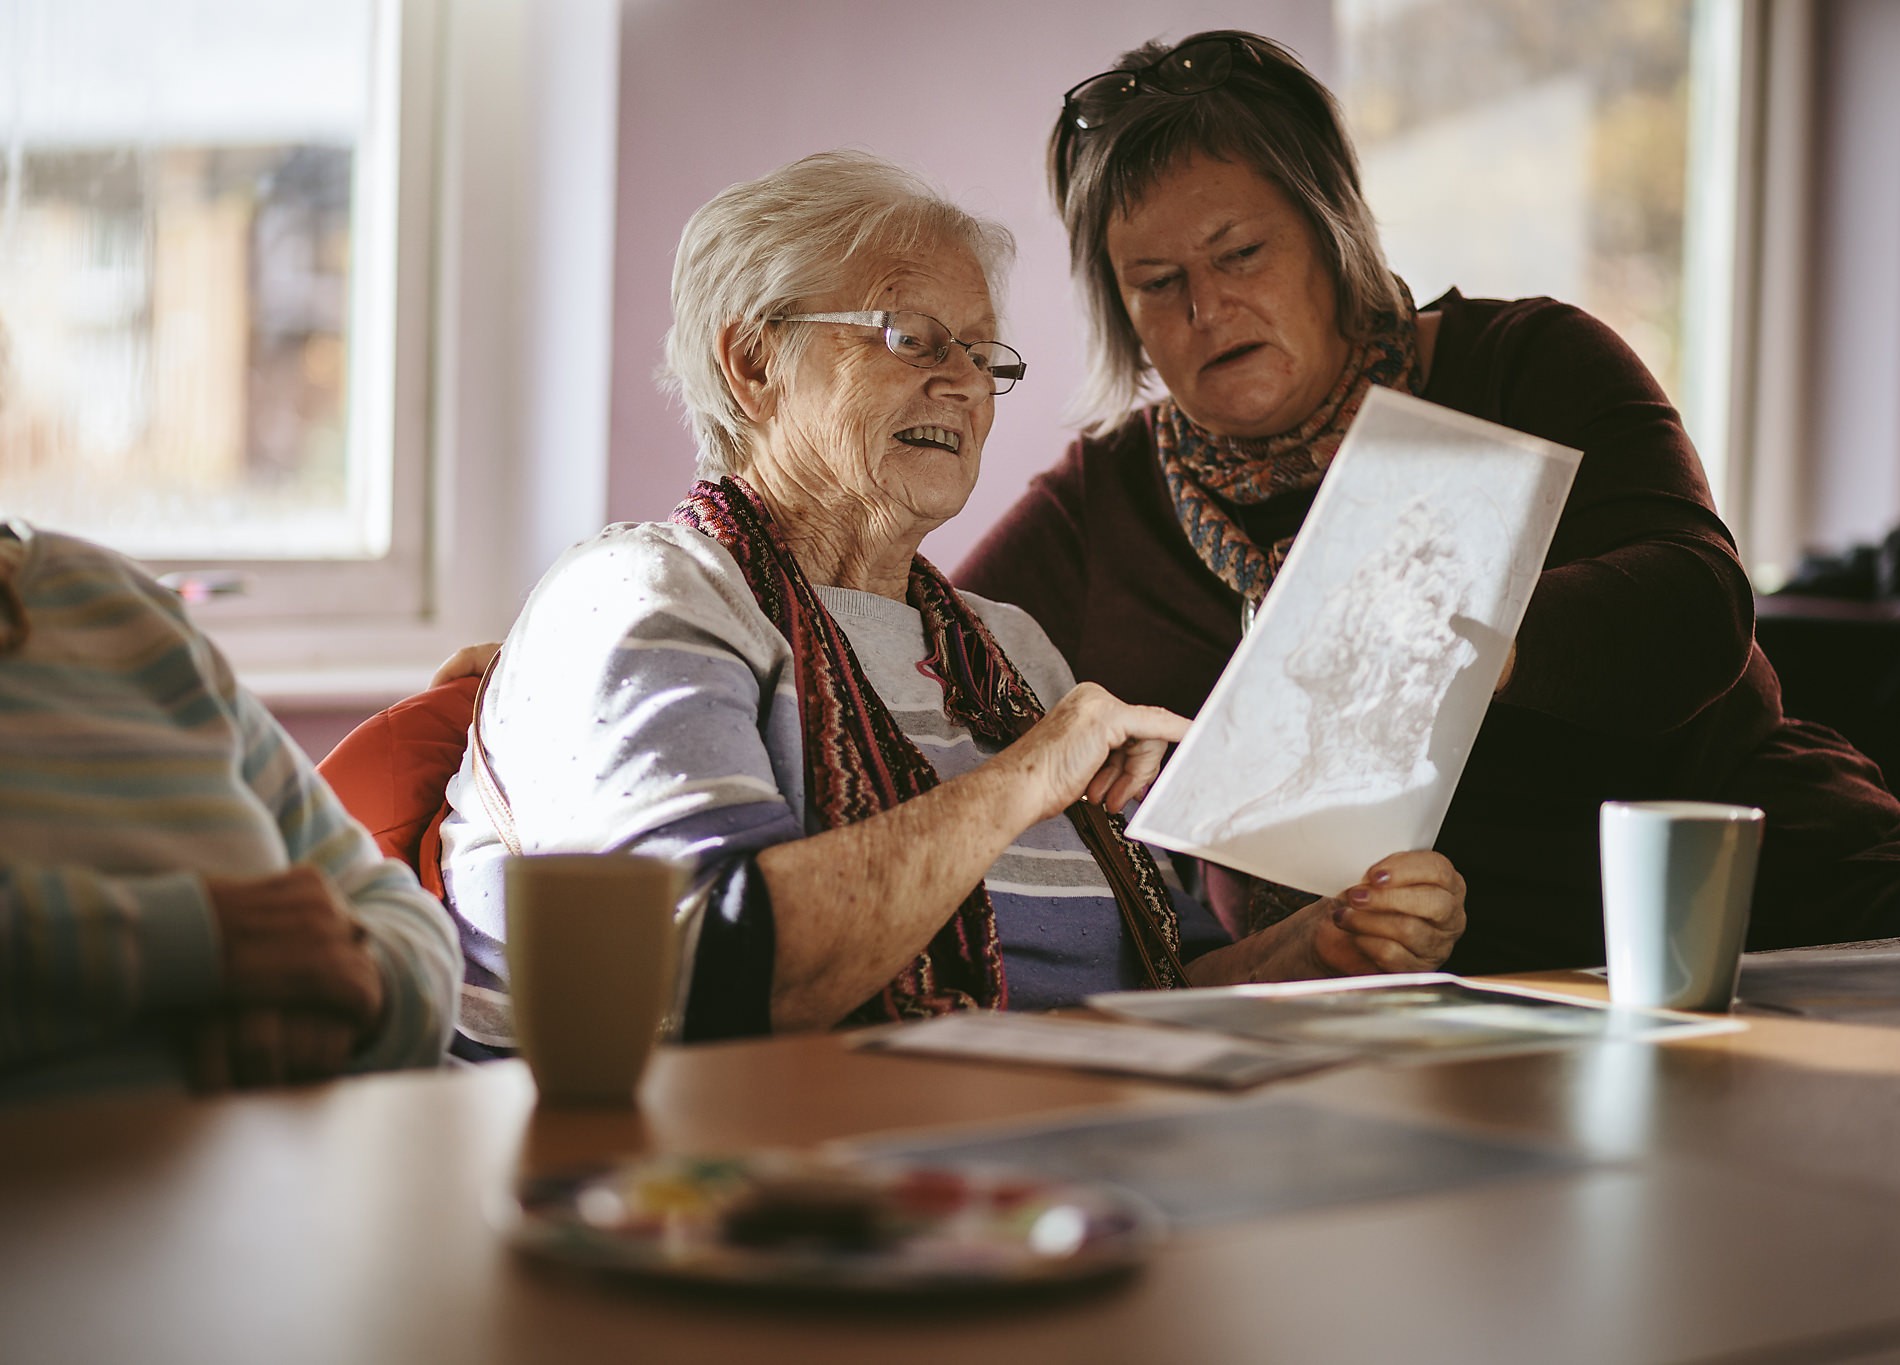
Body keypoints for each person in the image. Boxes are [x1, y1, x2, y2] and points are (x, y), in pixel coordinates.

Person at [435, 151, 1466, 1043]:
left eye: (980, 352)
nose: (965, 385)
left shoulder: (1008, 652)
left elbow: (1157, 994)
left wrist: (1320, 947)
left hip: (1033, 1143)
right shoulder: (645, 597)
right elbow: (710, 971)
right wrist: (1027, 775)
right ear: (752, 361)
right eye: (911, 337)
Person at [957, 30, 1900, 973]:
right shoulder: (1103, 502)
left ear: (1333, 234)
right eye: (1157, 284)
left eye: (1239, 253)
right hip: (1425, 1000)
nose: (1205, 308)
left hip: (1777, 907)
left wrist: (1461, 635)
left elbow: (1699, 610)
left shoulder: (1530, 366)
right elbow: (926, 664)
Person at [0, 522, 461, 1099]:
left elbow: (402, 919)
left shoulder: (120, 605)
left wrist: (355, 981)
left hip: (312, 1142)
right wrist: (205, 944)